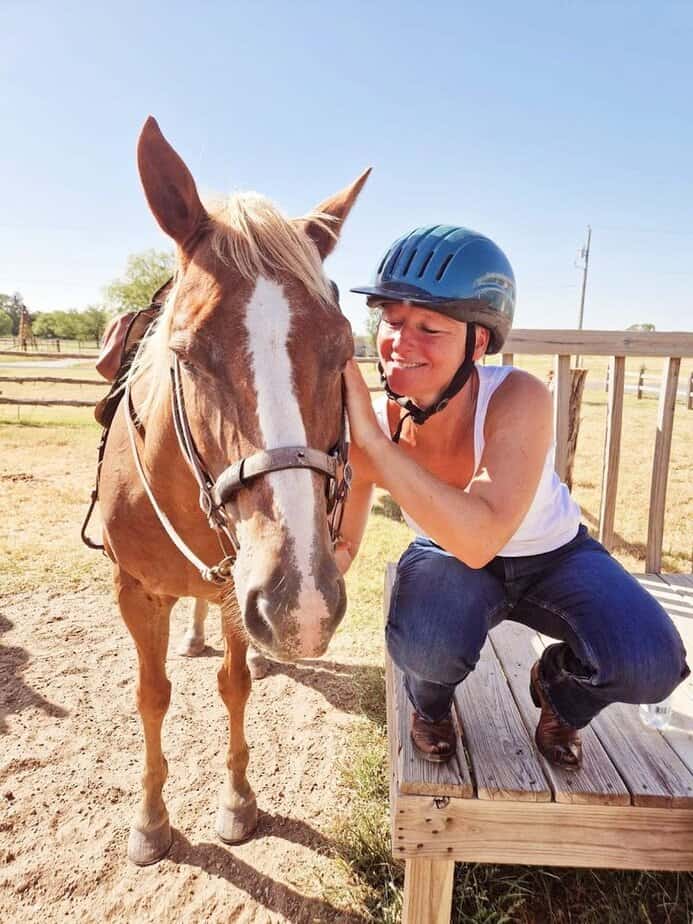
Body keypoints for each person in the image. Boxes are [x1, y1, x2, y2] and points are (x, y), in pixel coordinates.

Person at [337, 224, 689, 769]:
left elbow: (481, 537)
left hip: (554, 556)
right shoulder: (374, 427)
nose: (401, 343)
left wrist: (379, 449)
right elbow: (342, 545)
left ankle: (559, 692)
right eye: (393, 321)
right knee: (427, 644)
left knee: (652, 662)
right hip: (444, 556)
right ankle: (431, 706)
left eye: (429, 327)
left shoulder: (517, 395)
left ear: (478, 341)